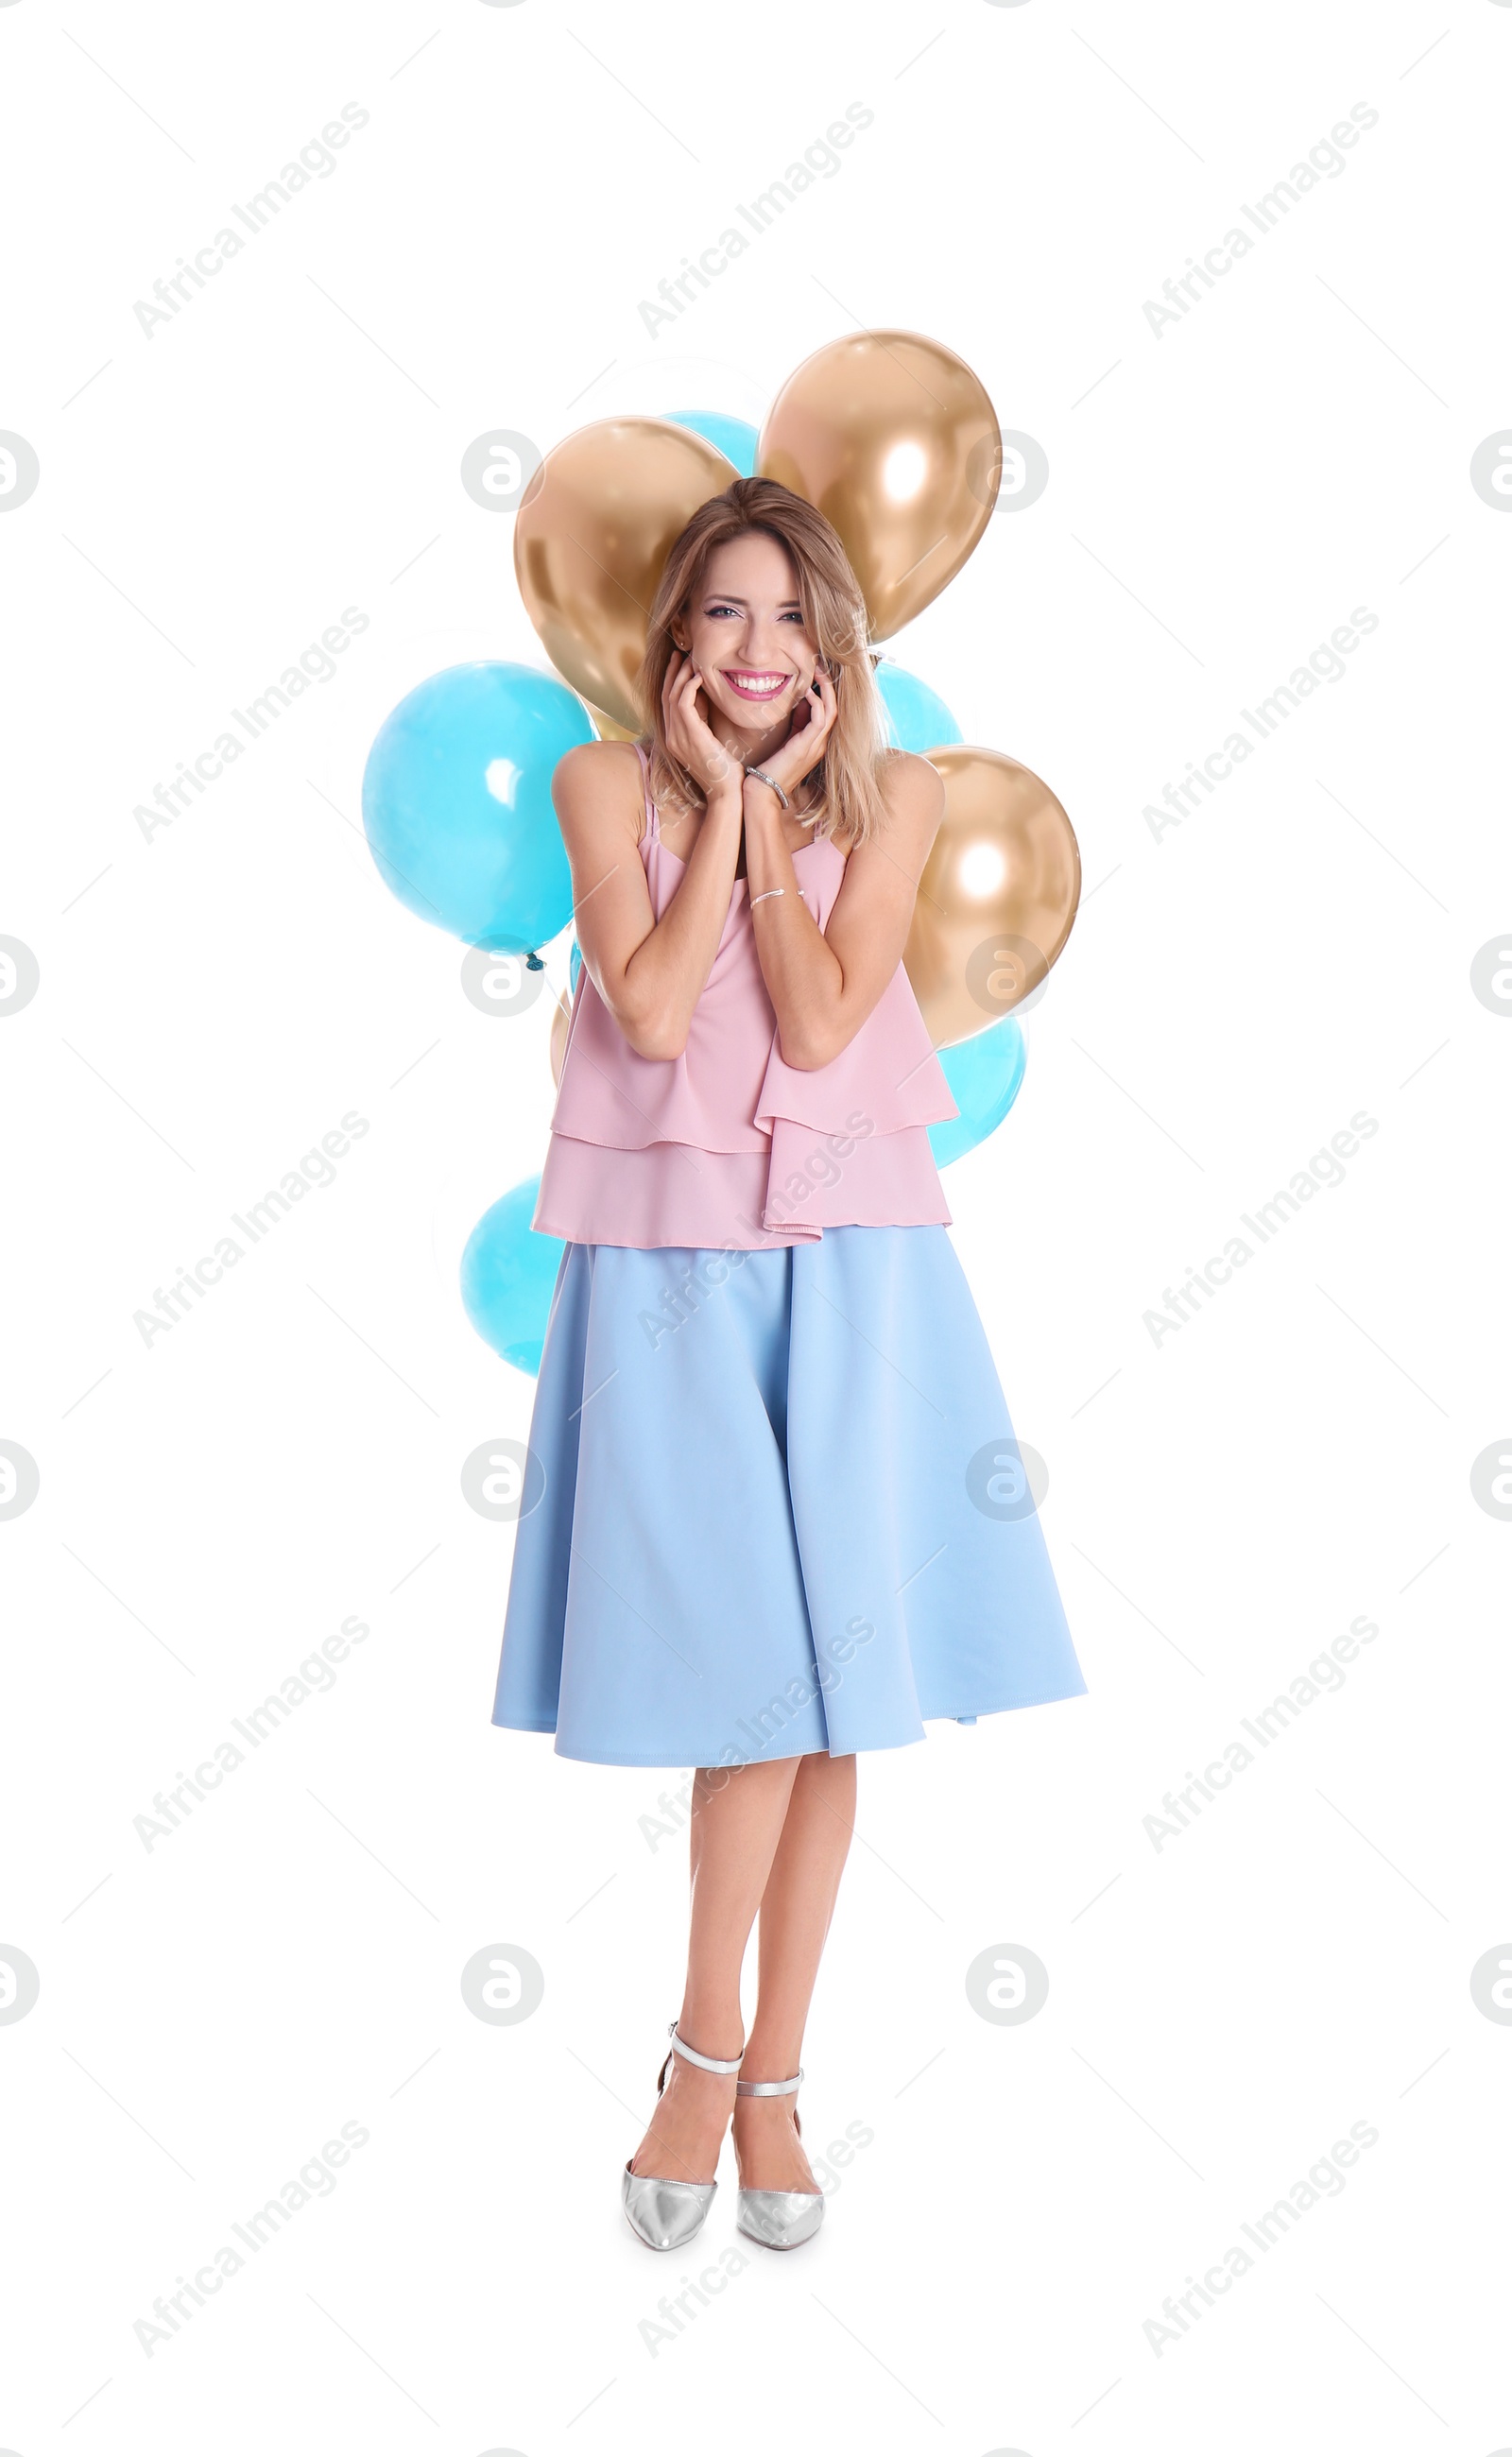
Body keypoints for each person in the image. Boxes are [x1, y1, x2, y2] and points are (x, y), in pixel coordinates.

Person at [492, 476, 1085, 2253]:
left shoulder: (900, 797)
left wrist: (768, 828)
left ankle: (770, 2081)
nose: (755, 649)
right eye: (721, 616)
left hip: (854, 1256)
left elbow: (829, 1020)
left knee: (834, 1677)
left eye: (787, 619)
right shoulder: (606, 786)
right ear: (674, 639)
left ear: (840, 645)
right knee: (752, 1671)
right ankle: (702, 2049)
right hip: (673, 1265)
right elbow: (654, 1014)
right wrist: (721, 807)